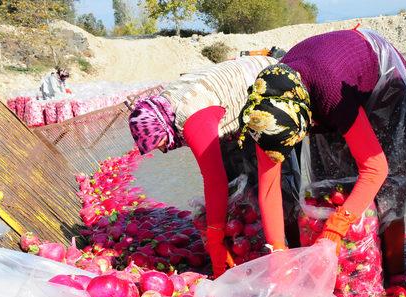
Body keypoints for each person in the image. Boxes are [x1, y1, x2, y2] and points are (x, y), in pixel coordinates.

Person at [239, 29, 406, 279]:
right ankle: (356, 265)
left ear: (308, 118)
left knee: (390, 186)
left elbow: (376, 168)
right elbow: (269, 187)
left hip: (381, 77)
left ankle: (395, 272)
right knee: (329, 183)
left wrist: (337, 227)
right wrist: (277, 252)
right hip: (321, 80)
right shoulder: (265, 114)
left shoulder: (331, 95)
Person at [128, 56, 302, 278]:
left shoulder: (191, 117)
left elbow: (215, 181)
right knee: (240, 191)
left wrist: (215, 235)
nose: (162, 150)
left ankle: (289, 251)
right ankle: (256, 250)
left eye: (159, 142)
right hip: (234, 103)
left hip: (271, 87)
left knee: (275, 181)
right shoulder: (164, 106)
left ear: (162, 126)